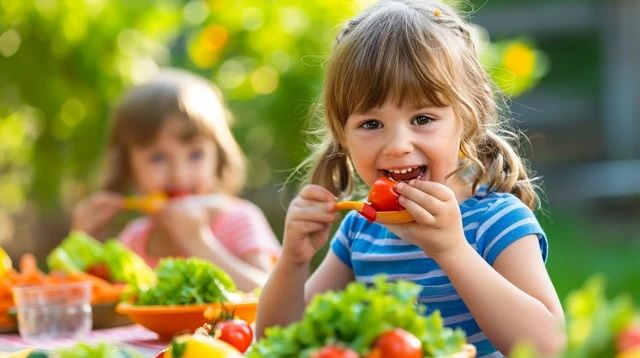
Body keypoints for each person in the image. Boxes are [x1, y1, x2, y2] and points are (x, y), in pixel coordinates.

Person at [256, 1, 566, 356]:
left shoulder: (497, 222)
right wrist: (293, 262)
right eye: (371, 124)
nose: (398, 146)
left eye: (422, 118)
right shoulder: (362, 231)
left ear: (468, 116)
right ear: (343, 136)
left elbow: (549, 348)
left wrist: (452, 250)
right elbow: (277, 343)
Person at [71, 69, 280, 292]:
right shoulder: (134, 240)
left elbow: (270, 296)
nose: (179, 174)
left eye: (195, 155)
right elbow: (100, 307)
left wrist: (199, 242)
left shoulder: (240, 221)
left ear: (218, 156)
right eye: (158, 158)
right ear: (128, 168)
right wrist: (81, 244)